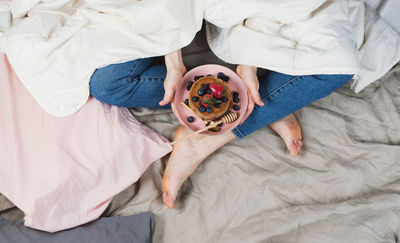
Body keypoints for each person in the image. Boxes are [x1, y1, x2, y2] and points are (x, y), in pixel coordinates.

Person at [89, 49, 352, 209]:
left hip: (242, 0)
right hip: (169, 2)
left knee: (342, 65)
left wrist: (248, 64)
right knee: (107, 84)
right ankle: (267, 100)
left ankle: (215, 132)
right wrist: (173, 62)